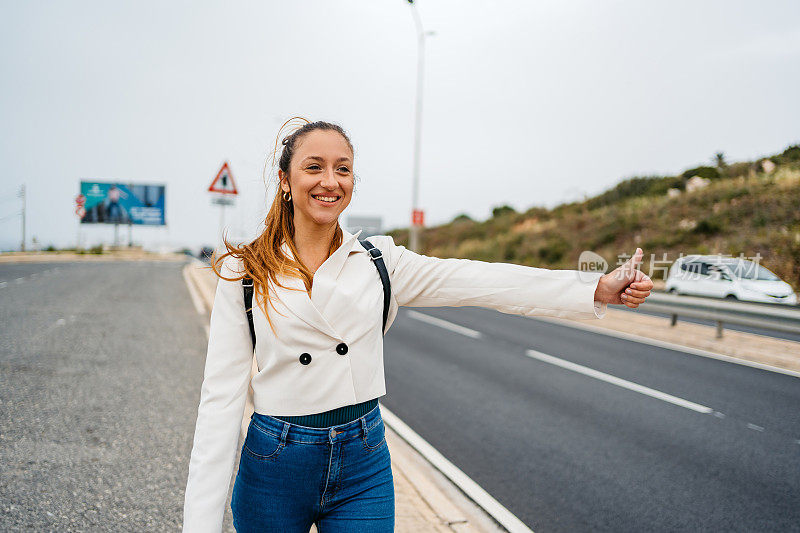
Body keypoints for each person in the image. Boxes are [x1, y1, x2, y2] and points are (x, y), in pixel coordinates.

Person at [182, 119, 654, 533]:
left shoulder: (379, 260)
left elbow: (481, 280)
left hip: (362, 460)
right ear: (285, 180)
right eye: (314, 167)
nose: (330, 181)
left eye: (343, 168)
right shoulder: (244, 272)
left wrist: (593, 289)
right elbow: (220, 402)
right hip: (275, 462)